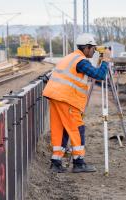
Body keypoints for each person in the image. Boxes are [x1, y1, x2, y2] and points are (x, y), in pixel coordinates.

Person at [42, 33, 111, 173]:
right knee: (77, 128)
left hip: (55, 97)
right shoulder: (80, 61)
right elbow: (100, 75)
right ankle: (79, 163)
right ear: (86, 48)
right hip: (66, 99)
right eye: (92, 49)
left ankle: (56, 163)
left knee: (59, 129)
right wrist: (106, 61)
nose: (93, 51)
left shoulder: (70, 57)